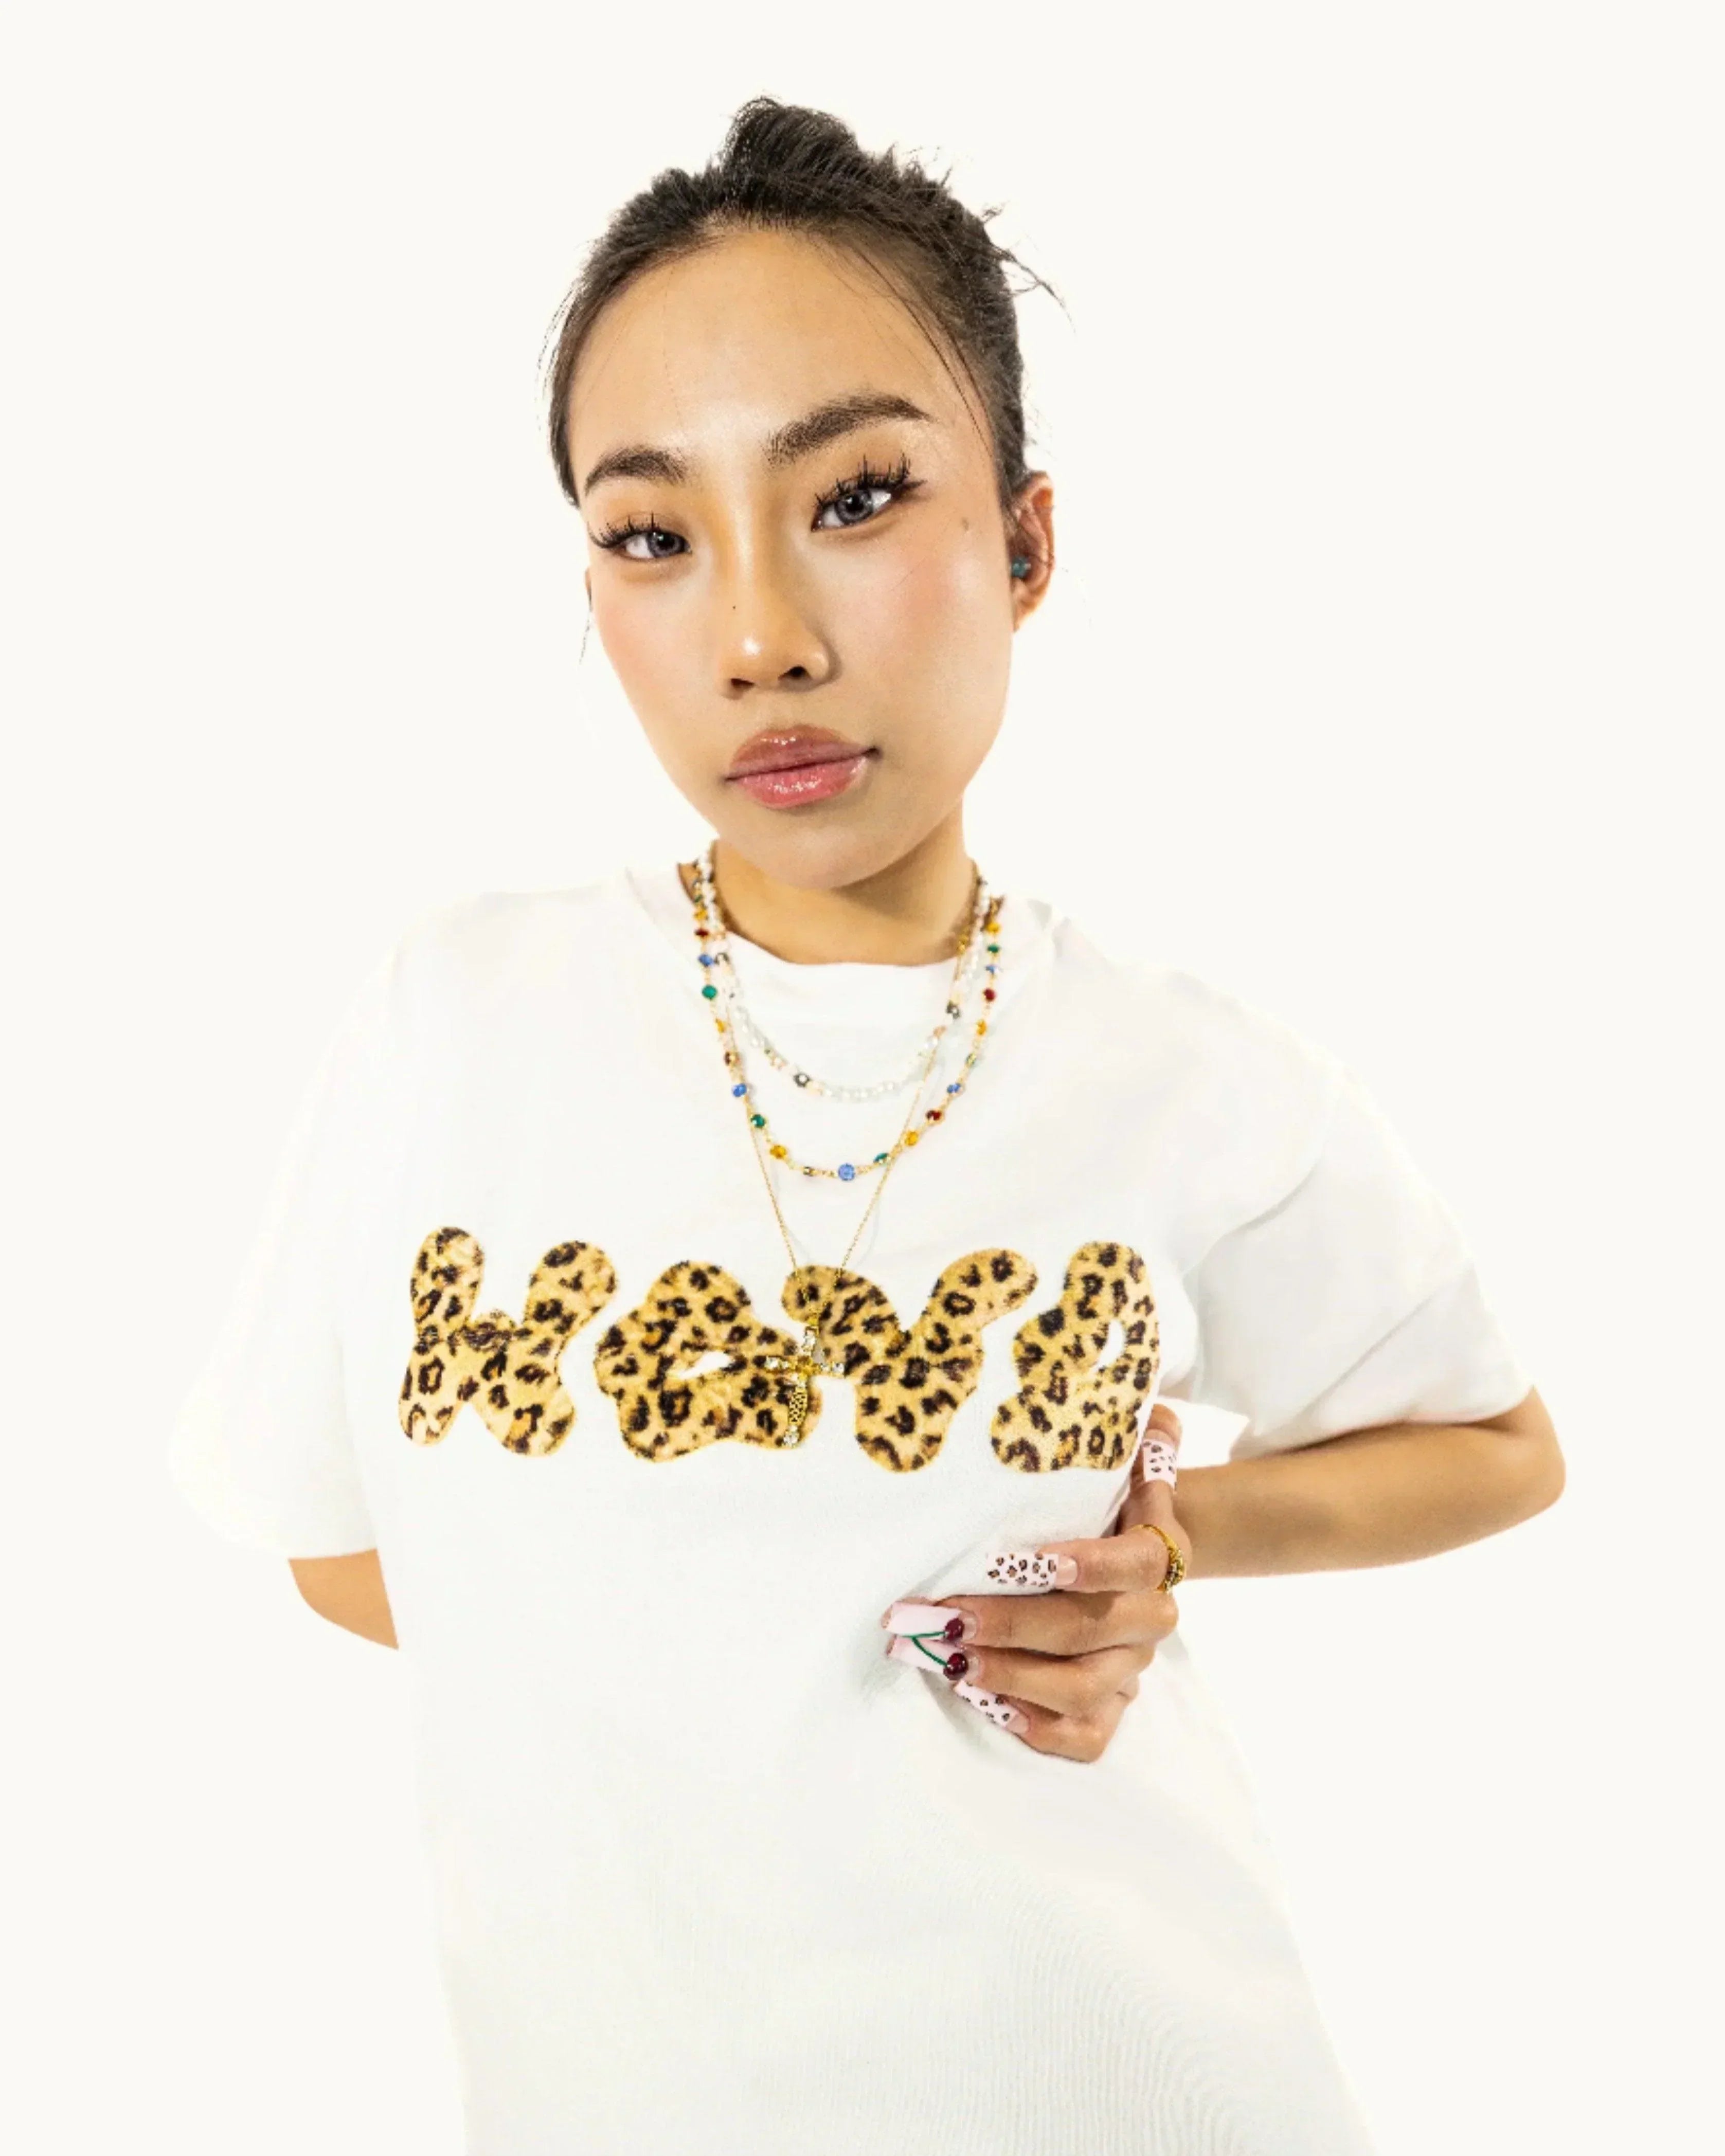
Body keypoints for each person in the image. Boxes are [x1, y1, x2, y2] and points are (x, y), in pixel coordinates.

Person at [167, 96, 1565, 2156]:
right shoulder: (456, 1017)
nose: (761, 638)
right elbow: (331, 1539)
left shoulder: (1185, 1074)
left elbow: (1499, 1448)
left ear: (1024, 540)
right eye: (651, 534)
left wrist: (1171, 1540)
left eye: (855, 496)